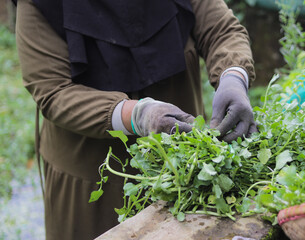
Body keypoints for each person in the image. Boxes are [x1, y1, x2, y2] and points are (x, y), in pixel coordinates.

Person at [15, 0, 256, 239]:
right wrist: (138, 115)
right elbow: (53, 91)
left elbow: (221, 29)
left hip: (185, 164)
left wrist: (233, 75)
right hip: (93, 178)